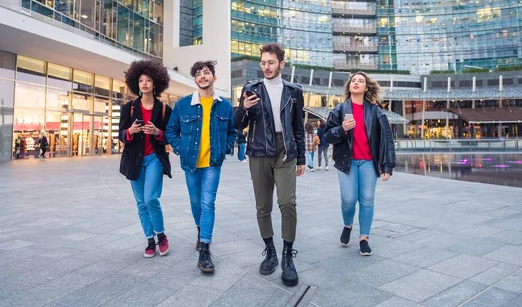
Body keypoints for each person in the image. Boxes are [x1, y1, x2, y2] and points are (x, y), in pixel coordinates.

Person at [234, 43, 305, 287]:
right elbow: (237, 124)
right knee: (262, 206)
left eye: (271, 62)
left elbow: (298, 127)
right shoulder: (251, 89)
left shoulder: (294, 91)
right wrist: (244, 108)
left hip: (285, 152)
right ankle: (270, 251)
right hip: (258, 151)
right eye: (263, 62)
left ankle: (287, 254)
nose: (266, 67)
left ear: (281, 64)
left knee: (287, 202)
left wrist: (302, 158)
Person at [166, 60, 236, 273]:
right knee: (196, 203)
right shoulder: (183, 104)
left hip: (212, 164)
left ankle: (205, 248)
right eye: (198, 74)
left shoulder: (224, 105)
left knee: (208, 203)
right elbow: (171, 131)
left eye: (206, 73)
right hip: (191, 164)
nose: (202, 76)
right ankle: (200, 230)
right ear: (195, 80)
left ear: (214, 77)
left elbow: (233, 131)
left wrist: (224, 148)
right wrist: (181, 149)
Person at [322, 71, 396, 256]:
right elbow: (327, 136)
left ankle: (364, 238)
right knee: (348, 200)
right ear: (349, 86)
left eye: (360, 81)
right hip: (347, 162)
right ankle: (348, 224)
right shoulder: (340, 110)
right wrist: (341, 129)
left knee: (367, 200)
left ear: (366, 87)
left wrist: (387, 166)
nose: (356, 83)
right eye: (353, 80)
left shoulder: (375, 111)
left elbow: (386, 138)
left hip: (368, 163)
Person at [119, 59, 172, 259]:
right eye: (141, 80)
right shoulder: (129, 108)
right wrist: (131, 131)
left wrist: (158, 132)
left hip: (154, 159)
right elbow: (121, 134)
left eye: (148, 80)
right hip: (134, 161)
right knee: (141, 203)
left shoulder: (165, 109)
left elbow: (171, 135)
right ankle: (150, 240)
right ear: (136, 83)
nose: (144, 83)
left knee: (151, 198)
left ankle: (161, 236)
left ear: (155, 83)